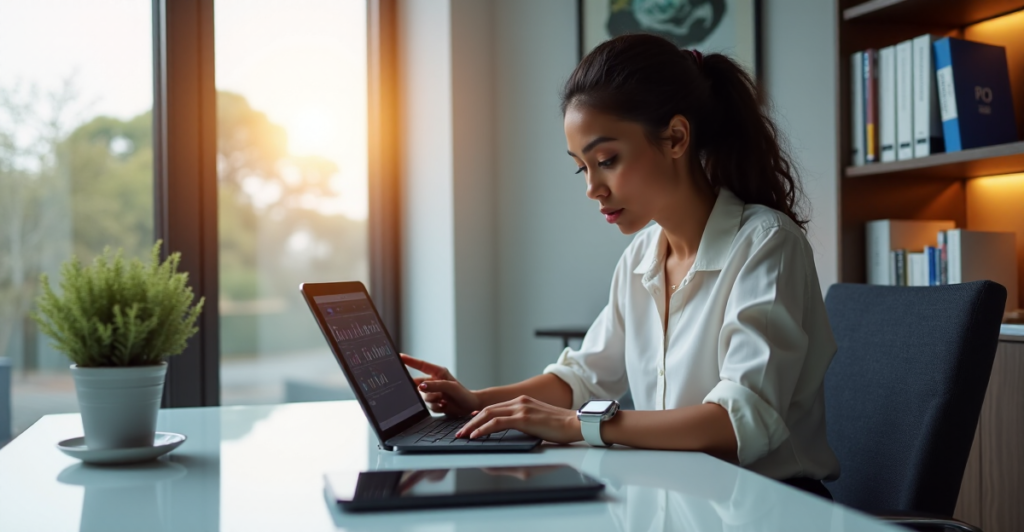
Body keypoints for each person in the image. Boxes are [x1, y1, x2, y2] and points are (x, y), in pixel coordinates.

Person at [401, 33, 840, 489]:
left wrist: (577, 425)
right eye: (581, 166)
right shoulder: (640, 258)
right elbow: (583, 376)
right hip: (679, 499)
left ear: (675, 138)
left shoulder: (767, 244)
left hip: (768, 505)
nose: (592, 187)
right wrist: (477, 401)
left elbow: (737, 422)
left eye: (606, 159)